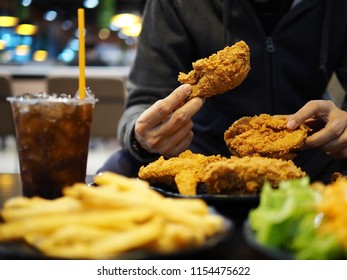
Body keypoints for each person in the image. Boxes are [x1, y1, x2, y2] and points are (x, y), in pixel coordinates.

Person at [97, 0, 347, 184]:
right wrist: (142, 136)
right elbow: (143, 100)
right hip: (203, 158)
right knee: (116, 168)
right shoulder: (176, 5)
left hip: (313, 156)